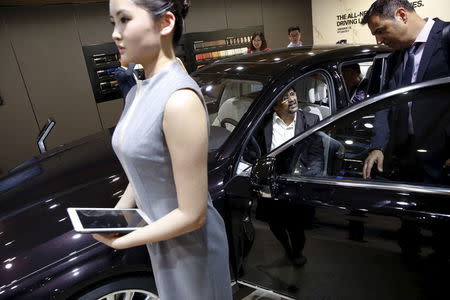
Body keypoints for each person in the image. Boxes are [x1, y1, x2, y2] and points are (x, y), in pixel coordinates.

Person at [95, 1, 232, 299]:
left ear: (165, 23)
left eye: (125, 19)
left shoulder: (179, 99)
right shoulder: (139, 91)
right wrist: (118, 214)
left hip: (192, 247)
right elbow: (143, 164)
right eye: (112, 23)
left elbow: (193, 214)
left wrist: (124, 240)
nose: (116, 34)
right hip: (162, 237)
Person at [360, 0, 450, 180]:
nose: (379, 40)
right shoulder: (395, 58)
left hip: (443, 161)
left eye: (380, 30)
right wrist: (378, 146)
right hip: (406, 161)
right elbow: (385, 103)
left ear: (402, 15)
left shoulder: (446, 39)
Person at [256, 88, 322, 267]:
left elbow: (316, 157)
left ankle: (297, 250)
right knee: (274, 224)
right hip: (271, 185)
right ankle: (286, 247)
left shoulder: (311, 121)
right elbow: (255, 152)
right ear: (275, 106)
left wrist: (308, 184)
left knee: (296, 228)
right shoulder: (263, 124)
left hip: (297, 185)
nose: (292, 99)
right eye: (284, 98)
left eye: (292, 93)